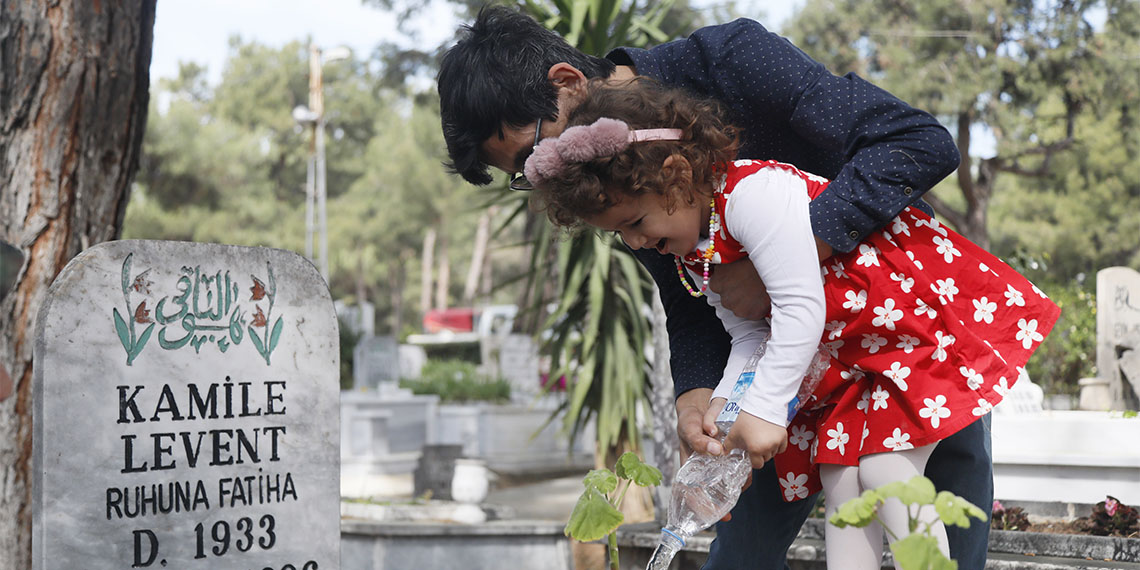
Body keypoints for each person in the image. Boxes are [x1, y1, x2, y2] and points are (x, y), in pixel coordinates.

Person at [437, 6, 984, 568]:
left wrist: (786, 260)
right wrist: (698, 391)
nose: (545, 173)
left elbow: (917, 143)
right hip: (787, 369)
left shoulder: (732, 62)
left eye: (534, 153)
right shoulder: (610, 188)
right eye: (526, 175)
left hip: (903, 332)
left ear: (567, 83)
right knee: (751, 545)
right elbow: (690, 292)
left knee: (932, 511)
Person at [522, 79, 1061, 568]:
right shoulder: (699, 250)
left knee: (879, 469)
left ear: (677, 175)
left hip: (915, 331)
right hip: (864, 359)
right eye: (621, 235)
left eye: (635, 223)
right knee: (842, 478)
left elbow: (800, 307)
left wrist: (764, 409)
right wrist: (726, 403)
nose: (637, 244)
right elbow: (752, 333)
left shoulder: (754, 196)